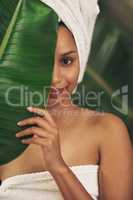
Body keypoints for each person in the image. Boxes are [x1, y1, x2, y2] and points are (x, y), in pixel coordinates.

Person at [0, 1, 133, 200]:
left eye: (66, 61)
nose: (55, 78)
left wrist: (57, 166)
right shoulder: (6, 136)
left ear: (82, 56)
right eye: (42, 62)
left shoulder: (107, 129)